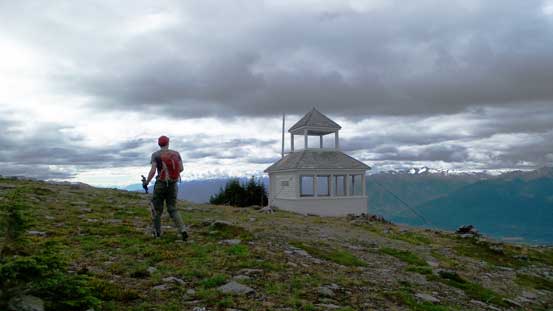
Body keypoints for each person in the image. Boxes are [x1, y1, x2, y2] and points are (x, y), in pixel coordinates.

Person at [143, 135, 188, 240]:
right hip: (173, 184)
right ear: (168, 143)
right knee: (172, 208)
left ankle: (157, 233)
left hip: (160, 184)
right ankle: (183, 230)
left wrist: (147, 182)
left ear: (159, 144)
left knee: (157, 210)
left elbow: (153, 170)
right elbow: (181, 168)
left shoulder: (155, 155)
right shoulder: (176, 154)